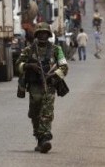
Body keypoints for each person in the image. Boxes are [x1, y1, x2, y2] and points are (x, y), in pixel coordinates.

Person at [16, 22, 69, 153]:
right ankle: (39, 138)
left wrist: (52, 76)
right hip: (34, 86)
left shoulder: (56, 50)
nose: (42, 36)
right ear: (36, 35)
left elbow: (64, 67)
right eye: (40, 33)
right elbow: (18, 64)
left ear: (48, 35)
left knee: (46, 112)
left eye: (45, 33)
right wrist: (29, 66)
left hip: (49, 85)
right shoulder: (29, 50)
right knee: (35, 113)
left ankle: (45, 137)